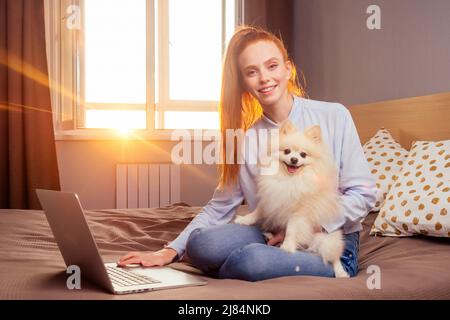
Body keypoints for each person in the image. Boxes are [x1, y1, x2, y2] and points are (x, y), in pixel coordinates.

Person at [118, 25, 377, 281]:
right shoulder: (245, 138)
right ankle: (240, 259)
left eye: (272, 66)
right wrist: (170, 251)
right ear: (243, 82)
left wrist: (309, 226)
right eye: (252, 72)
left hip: (329, 241)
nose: (264, 78)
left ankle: (249, 262)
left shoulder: (333, 116)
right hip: (268, 231)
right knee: (201, 246)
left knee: (250, 259)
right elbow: (220, 205)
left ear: (288, 69)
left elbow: (364, 193)